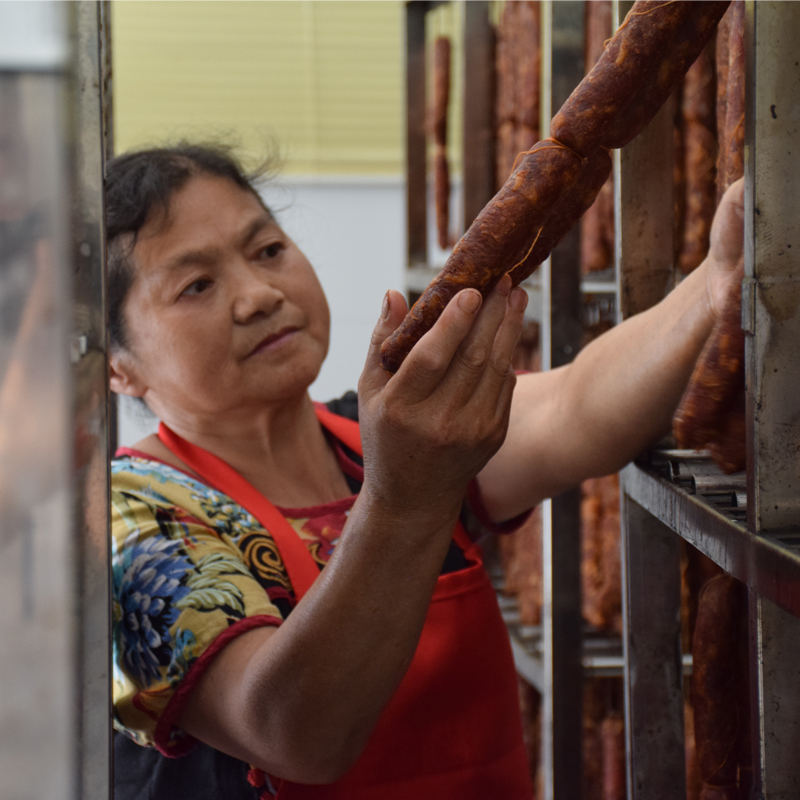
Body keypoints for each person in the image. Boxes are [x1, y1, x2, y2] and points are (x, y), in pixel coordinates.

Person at [109, 144, 744, 800]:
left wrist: (720, 277)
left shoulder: (372, 439)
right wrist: (404, 499)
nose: (259, 295)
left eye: (267, 249)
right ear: (116, 364)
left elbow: (578, 406)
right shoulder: (130, 519)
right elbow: (296, 734)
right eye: (196, 286)